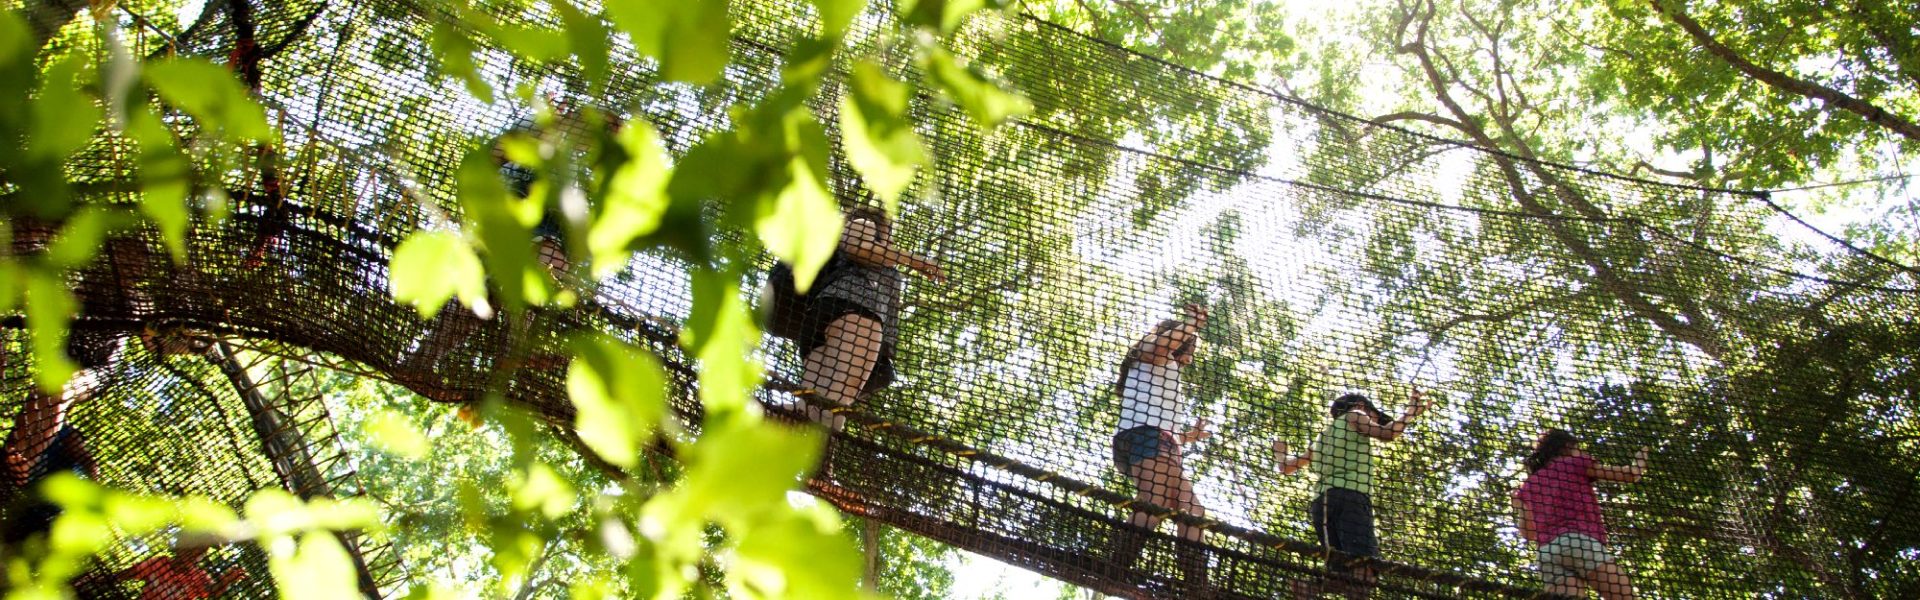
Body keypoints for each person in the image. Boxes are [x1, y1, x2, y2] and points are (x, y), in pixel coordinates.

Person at [795, 206, 945, 434]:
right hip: (856, 312)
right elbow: (859, 246)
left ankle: (765, 427)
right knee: (837, 402)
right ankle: (822, 467)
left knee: (809, 406)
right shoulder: (864, 224)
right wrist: (917, 261)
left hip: (824, 321)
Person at [1271, 390, 1430, 599]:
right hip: (1351, 497)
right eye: (1373, 414)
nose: (1374, 419)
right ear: (1361, 406)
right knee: (1365, 570)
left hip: (1322, 504)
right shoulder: (1356, 415)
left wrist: (1280, 452)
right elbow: (1388, 433)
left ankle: (1307, 589)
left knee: (1339, 572)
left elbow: (1285, 467)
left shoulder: (1322, 438)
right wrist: (1410, 412)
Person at [1106, 304, 1212, 597]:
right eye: (1190, 347)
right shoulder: (1152, 354)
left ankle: (1196, 587)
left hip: (1159, 441)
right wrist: (1191, 325)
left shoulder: (1166, 369)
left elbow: (1163, 422)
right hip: (1145, 438)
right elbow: (1159, 346)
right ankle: (1115, 568)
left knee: (1192, 510)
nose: (1192, 356)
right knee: (1155, 500)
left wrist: (1189, 436)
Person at [2, 334, 112, 549]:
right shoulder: (36, 410)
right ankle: (23, 459)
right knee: (42, 393)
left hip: (48, 499)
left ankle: (26, 461)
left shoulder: (66, 431)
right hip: (20, 471)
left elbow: (89, 462)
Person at [1513, 429, 1646, 599]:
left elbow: (1528, 533)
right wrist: (1641, 459)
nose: (1581, 452)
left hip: (1548, 553)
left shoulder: (1529, 484)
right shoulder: (1573, 463)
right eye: (1578, 448)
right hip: (1580, 543)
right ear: (1567, 447)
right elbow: (1630, 474)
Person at [117, 543, 249, 600]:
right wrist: (101, 579)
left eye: (202, 552)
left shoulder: (198, 576)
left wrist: (226, 580)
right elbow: (129, 573)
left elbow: (212, 592)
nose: (197, 554)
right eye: (194, 549)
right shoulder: (159, 563)